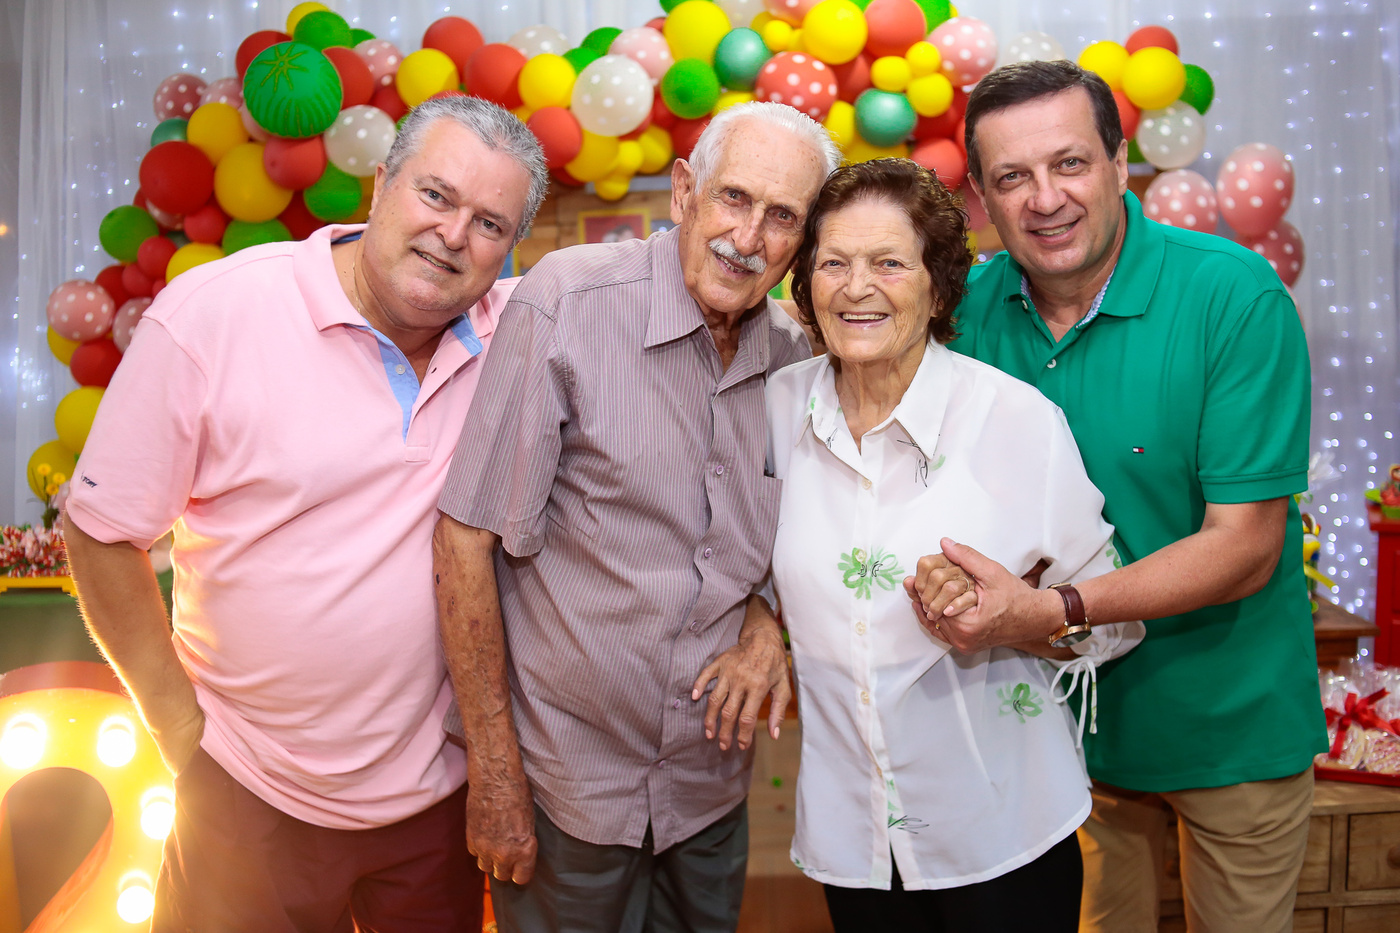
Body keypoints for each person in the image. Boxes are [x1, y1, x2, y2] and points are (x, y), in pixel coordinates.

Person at [62, 95, 548, 933]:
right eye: (435, 195)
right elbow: (101, 533)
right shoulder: (214, 315)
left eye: (489, 224)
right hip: (245, 793)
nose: (452, 235)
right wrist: (181, 733)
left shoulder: (517, 339)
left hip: (434, 802)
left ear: (509, 251)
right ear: (381, 184)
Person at [929, 60, 1327, 933]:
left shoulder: (1233, 296)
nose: (1046, 199)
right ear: (982, 200)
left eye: (1069, 163)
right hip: (1061, 740)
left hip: (1230, 733)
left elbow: (1246, 546)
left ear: (1119, 164)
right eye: (1012, 177)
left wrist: (1054, 609)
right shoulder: (964, 313)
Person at [431, 101, 840, 932]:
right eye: (733, 197)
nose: (748, 237)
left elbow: (780, 547)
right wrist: (495, 773)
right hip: (567, 787)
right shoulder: (567, 303)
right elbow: (465, 540)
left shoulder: (796, 358)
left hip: (708, 785)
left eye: (782, 216)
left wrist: (768, 626)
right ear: (685, 190)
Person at [766, 157, 1143, 932]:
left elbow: (1114, 623)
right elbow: (737, 563)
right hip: (852, 835)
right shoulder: (772, 411)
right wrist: (753, 626)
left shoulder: (1016, 421)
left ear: (938, 288)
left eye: (889, 263)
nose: (857, 287)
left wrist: (1017, 615)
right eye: (833, 263)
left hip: (1001, 834)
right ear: (805, 285)